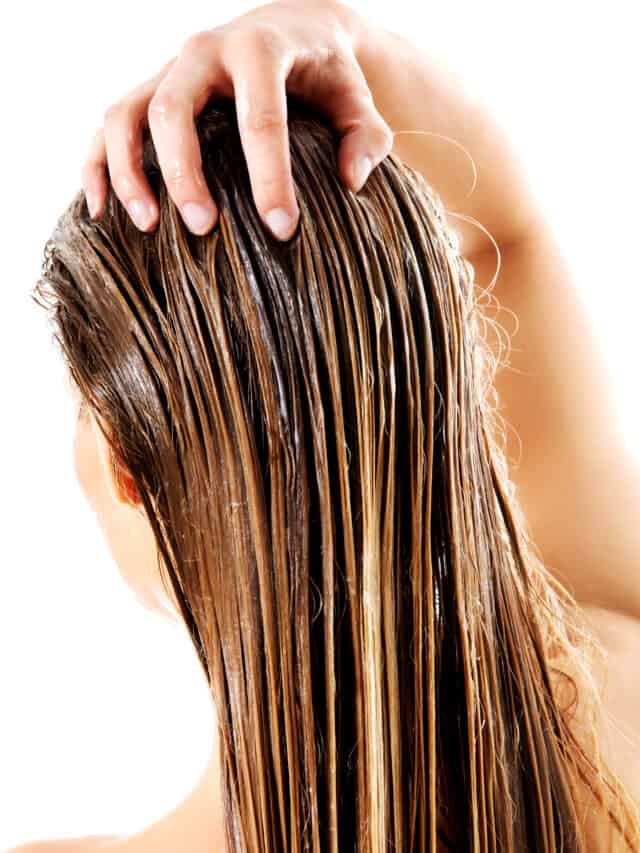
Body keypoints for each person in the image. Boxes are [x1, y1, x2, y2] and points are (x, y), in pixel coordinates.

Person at [8, 1, 640, 851]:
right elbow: (507, 235)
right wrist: (348, 38)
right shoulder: (620, 712)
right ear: (441, 383)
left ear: (128, 464)